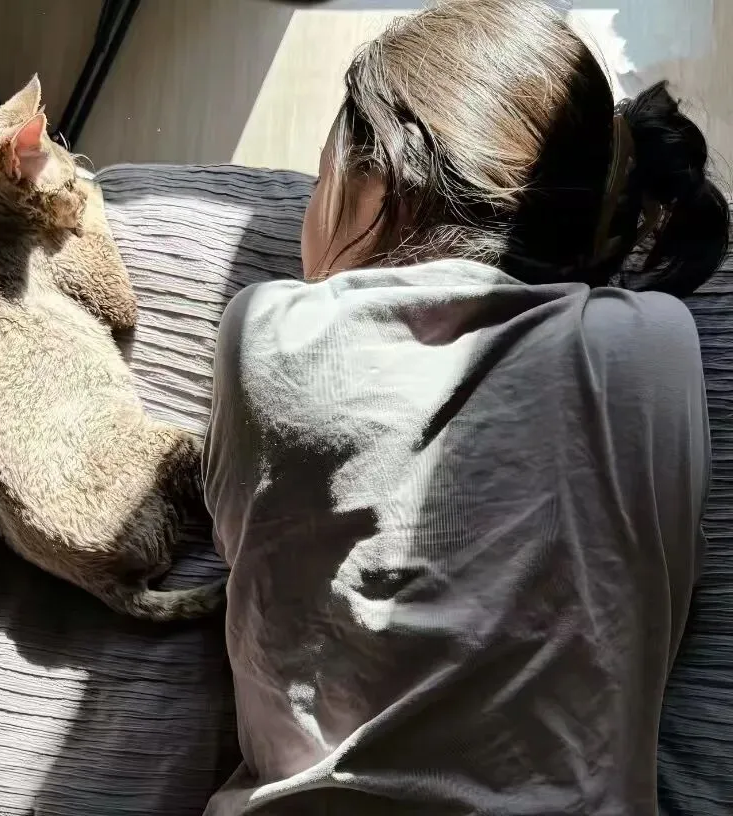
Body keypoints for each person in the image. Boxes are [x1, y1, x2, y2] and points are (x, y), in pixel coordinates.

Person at [202, 1, 730, 813]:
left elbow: (243, 544)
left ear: (379, 175)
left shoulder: (269, 334)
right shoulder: (653, 346)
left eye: (321, 175)